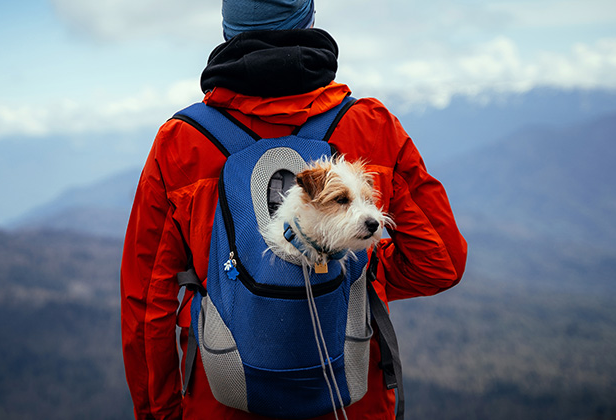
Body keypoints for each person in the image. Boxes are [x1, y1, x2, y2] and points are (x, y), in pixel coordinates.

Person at [121, 1, 468, 418]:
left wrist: (158, 413)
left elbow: (145, 305)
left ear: (228, 29)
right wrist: (351, 275)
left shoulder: (181, 142)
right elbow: (440, 262)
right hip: (350, 396)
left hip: (223, 396)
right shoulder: (370, 126)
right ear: (309, 20)